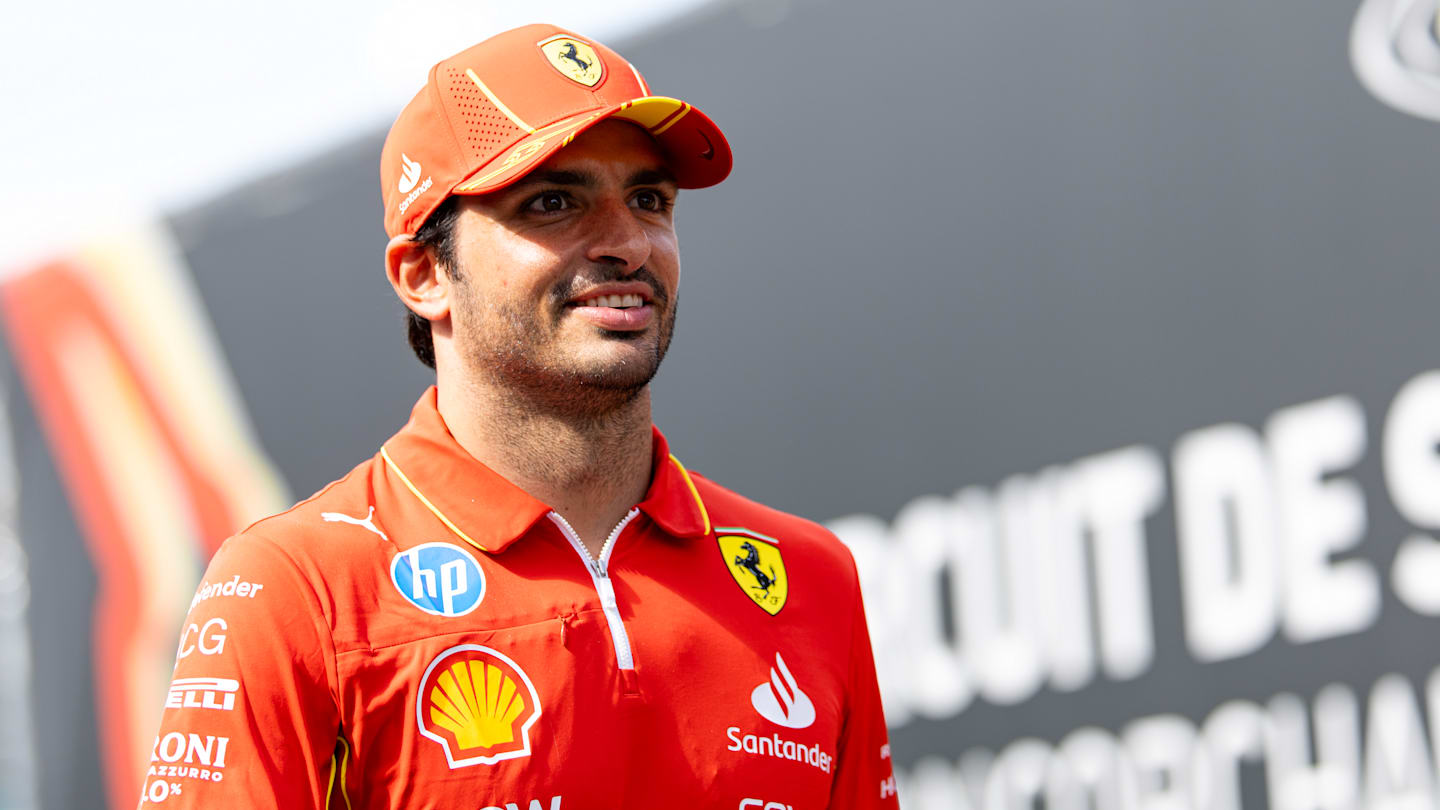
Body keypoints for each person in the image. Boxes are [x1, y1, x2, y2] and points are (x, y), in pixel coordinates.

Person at [141, 23, 900, 809]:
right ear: (423, 274)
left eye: (648, 199)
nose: (627, 243)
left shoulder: (814, 578)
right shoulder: (298, 588)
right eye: (553, 203)